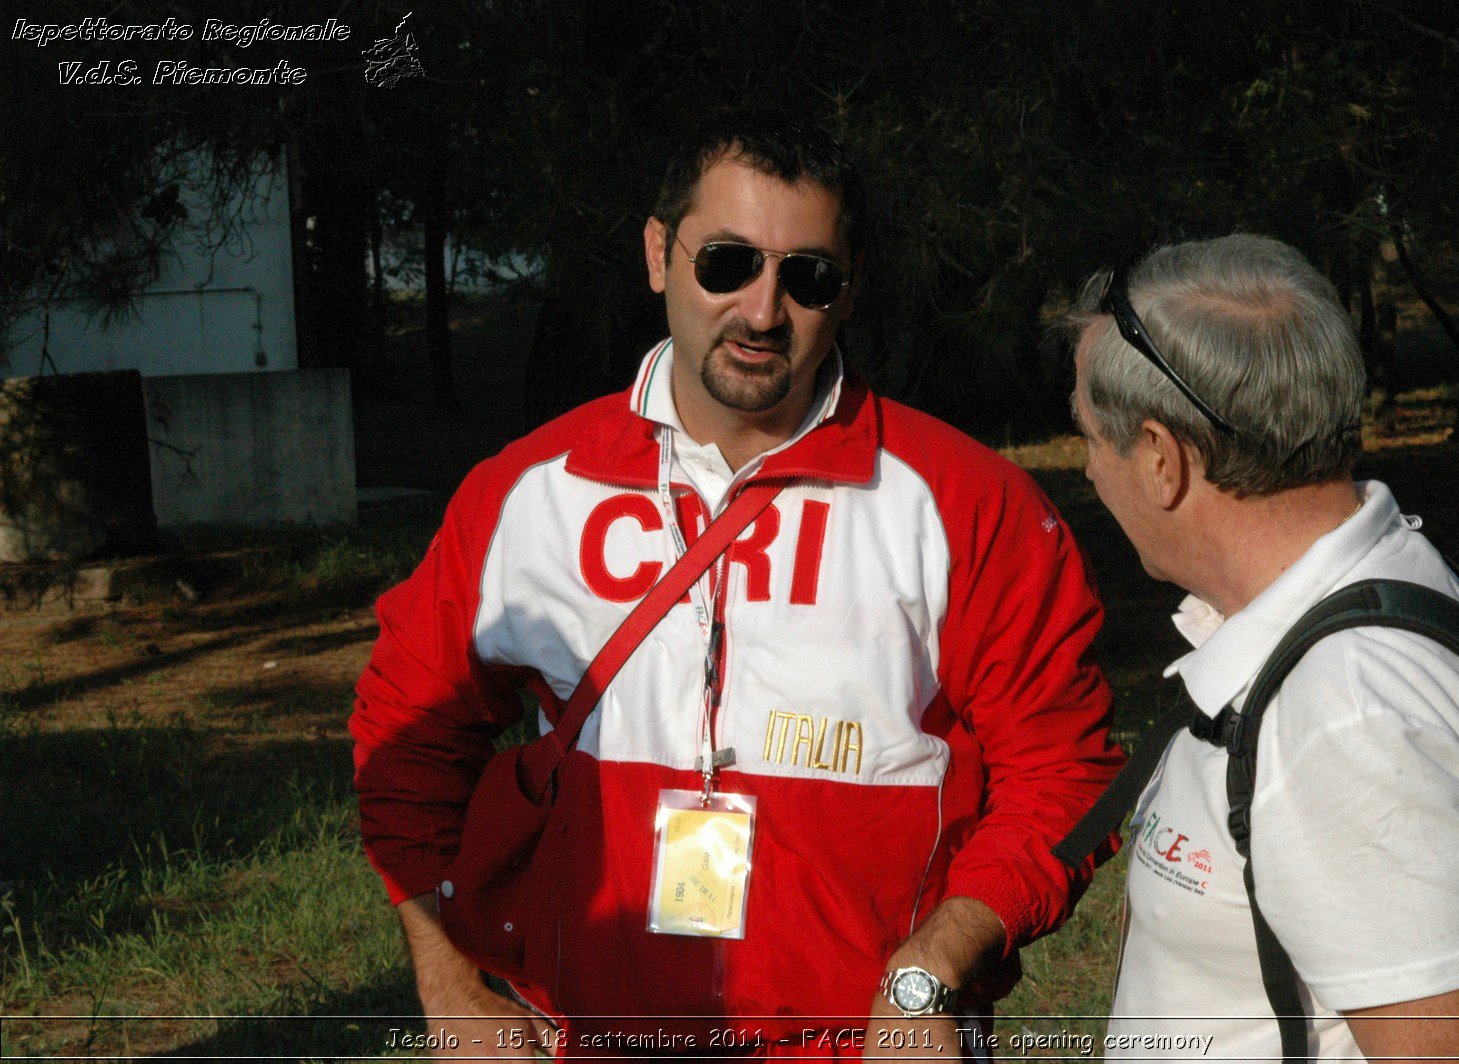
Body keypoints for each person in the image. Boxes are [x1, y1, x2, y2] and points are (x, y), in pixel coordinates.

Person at [350, 111, 1123, 1060]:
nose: (762, 311)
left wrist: (930, 971)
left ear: (850, 290)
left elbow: (1065, 775)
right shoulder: (527, 492)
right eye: (727, 263)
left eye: (808, 276)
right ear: (656, 254)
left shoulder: (966, 502)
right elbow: (405, 732)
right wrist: (448, 984)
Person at [1067, 234, 1459, 1063]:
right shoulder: (1378, 580)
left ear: (1159, 458)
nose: (1084, 468)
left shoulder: (1344, 713)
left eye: (1086, 434)